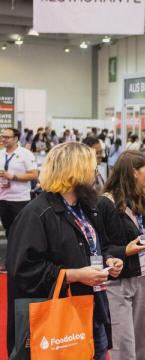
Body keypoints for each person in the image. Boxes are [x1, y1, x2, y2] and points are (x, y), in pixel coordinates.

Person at [6, 142, 124, 358]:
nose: (95, 174)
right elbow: (22, 270)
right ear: (75, 171)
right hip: (58, 323)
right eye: (92, 168)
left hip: (92, 310)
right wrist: (74, 275)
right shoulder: (36, 214)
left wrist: (108, 260)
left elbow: (93, 247)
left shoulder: (87, 208)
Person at [97, 150, 145, 360]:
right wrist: (124, 251)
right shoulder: (105, 203)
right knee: (124, 349)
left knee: (140, 347)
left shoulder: (140, 200)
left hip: (142, 280)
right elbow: (97, 248)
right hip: (118, 285)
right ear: (133, 172)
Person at [0, 128, 38, 238]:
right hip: (3, 198)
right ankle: (11, 254)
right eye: (3, 136)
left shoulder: (25, 154)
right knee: (8, 229)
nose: (4, 139)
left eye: (7, 137)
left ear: (16, 138)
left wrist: (13, 177)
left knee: (21, 231)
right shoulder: (1, 153)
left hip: (19, 199)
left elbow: (34, 175)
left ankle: (21, 255)